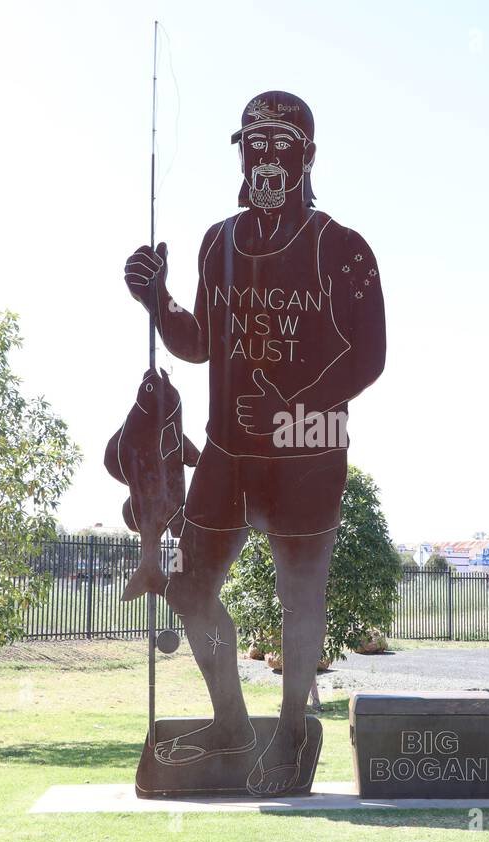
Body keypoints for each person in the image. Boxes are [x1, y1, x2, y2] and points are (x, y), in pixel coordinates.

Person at [123, 90, 386, 794]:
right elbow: (200, 342)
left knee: (299, 599)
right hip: (228, 453)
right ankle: (234, 726)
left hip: (307, 451)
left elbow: (369, 357)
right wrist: (160, 302)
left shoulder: (342, 249)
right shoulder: (218, 242)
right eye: (255, 145)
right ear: (241, 154)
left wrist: (293, 404)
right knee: (189, 589)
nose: (267, 159)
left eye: (282, 146)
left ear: (307, 156)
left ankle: (294, 727)